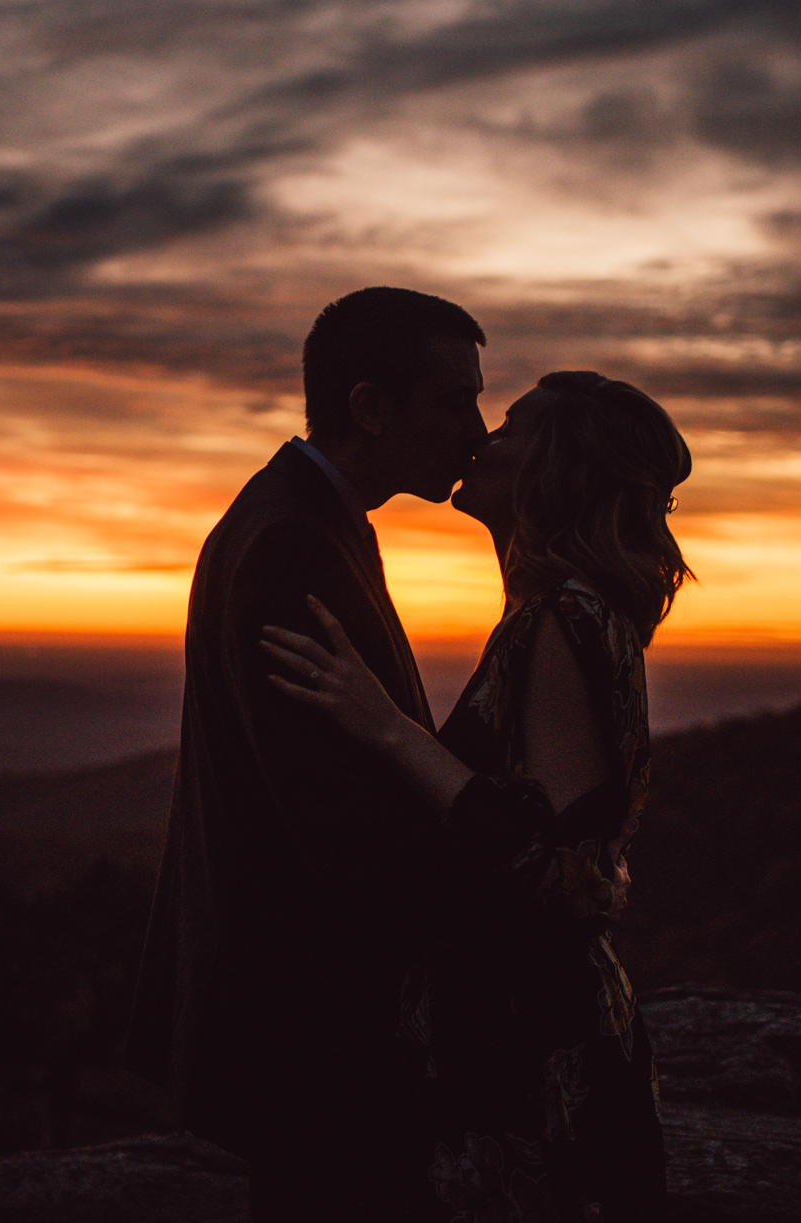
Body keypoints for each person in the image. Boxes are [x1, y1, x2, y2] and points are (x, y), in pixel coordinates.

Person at [261, 370, 692, 1222]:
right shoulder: (573, 613)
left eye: (512, 428)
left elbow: (562, 866)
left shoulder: (560, 621)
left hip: (529, 1047)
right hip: (538, 1026)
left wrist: (386, 728)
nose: (484, 433)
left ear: (552, 470)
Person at [125, 287, 490, 1220]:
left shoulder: (294, 516)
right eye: (455, 401)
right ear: (371, 406)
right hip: (318, 1038)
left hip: (310, 1030)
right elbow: (336, 830)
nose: (477, 431)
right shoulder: (289, 542)